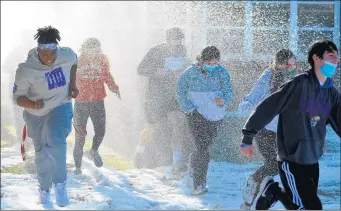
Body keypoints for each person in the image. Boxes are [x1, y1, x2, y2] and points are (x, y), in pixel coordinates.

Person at [239, 40, 341, 210]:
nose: (336, 61)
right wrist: (248, 135)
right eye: (331, 56)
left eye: (337, 57)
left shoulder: (330, 91)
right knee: (306, 206)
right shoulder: (297, 84)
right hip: (290, 155)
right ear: (316, 58)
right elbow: (267, 106)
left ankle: (273, 191)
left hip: (312, 157)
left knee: (304, 203)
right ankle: (266, 186)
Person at [12, 25, 79, 207]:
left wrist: (72, 85)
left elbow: (74, 63)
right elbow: (17, 98)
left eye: (52, 54)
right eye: (44, 54)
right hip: (35, 114)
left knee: (56, 140)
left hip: (60, 105)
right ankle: (44, 188)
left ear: (57, 48)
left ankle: (60, 184)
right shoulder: (25, 69)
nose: (48, 59)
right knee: (41, 153)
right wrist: (32, 104)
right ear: (38, 50)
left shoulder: (67, 54)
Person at [238, 49, 297, 209]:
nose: (290, 67)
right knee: (274, 163)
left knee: (280, 166)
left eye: (293, 64)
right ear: (278, 63)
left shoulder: (296, 79)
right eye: (287, 64)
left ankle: (252, 200)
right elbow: (253, 96)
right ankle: (254, 182)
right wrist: (247, 105)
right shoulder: (267, 77)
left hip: (282, 131)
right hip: (264, 128)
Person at [176, 46, 233, 195]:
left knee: (203, 146)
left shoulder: (222, 72)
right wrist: (189, 109)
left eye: (215, 63)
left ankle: (193, 166)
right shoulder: (190, 73)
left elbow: (229, 92)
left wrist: (225, 99)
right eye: (209, 62)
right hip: (196, 114)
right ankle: (199, 183)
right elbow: (180, 92)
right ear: (202, 60)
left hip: (215, 115)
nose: (213, 66)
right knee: (203, 148)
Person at [136, 27, 193, 173]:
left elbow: (186, 66)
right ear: (167, 40)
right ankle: (140, 151)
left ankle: (177, 161)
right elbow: (140, 69)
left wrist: (185, 71)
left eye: (180, 40)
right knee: (151, 127)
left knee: (178, 124)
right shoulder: (155, 51)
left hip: (174, 96)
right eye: (175, 40)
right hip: (157, 95)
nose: (178, 43)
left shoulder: (182, 50)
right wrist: (156, 72)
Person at [73, 38, 120, 175]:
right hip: (81, 102)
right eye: (90, 49)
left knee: (101, 131)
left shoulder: (103, 59)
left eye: (96, 49)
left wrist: (114, 88)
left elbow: (107, 76)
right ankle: (78, 168)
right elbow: (69, 79)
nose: (94, 52)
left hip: (98, 101)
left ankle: (93, 150)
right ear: (84, 49)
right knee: (80, 135)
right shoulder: (77, 61)